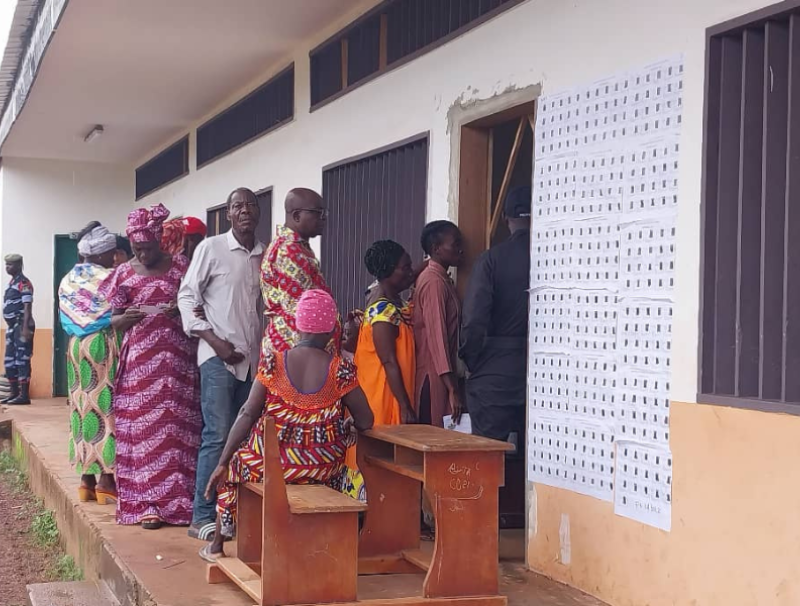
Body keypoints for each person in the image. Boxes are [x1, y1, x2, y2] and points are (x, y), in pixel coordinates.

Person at [198, 289, 374, 562]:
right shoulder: (341, 370)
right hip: (322, 468)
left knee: (236, 466)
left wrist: (223, 461)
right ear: (331, 331)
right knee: (343, 470)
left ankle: (218, 545)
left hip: (271, 467)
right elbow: (366, 420)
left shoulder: (273, 363)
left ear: (297, 326)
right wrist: (347, 423)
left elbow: (247, 413)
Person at [99, 204, 201, 529]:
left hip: (177, 364)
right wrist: (124, 319)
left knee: (177, 431)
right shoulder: (124, 274)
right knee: (143, 433)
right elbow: (111, 320)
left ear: (160, 242)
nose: (142, 256)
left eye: (147, 249)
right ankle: (148, 505)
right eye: (136, 250)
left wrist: (180, 311)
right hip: (141, 366)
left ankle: (181, 503)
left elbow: (198, 304)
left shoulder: (182, 267)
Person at [178, 188, 265, 541]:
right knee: (217, 434)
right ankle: (201, 516)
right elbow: (186, 297)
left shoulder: (265, 255)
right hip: (217, 359)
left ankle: (233, 513)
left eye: (250, 205)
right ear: (227, 215)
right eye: (236, 206)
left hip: (252, 361)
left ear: (258, 212)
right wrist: (215, 341)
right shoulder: (211, 249)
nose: (244, 211)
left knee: (245, 439)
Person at [460, 186, 531, 446]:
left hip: (496, 369)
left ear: (505, 218)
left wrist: (471, 361)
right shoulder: (554, 260)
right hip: (546, 372)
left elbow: (474, 320)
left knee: (487, 457)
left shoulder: (492, 260)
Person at [58, 223, 120, 503]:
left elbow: (65, 318)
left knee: (81, 407)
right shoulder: (110, 277)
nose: (114, 257)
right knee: (105, 406)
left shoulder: (68, 279)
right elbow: (119, 309)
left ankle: (85, 481)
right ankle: (107, 480)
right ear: (100, 254)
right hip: (102, 343)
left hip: (75, 347)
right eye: (110, 253)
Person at [261, 188, 338, 356]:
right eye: (318, 212)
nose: (323, 218)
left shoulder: (297, 246)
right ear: (296, 216)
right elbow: (301, 310)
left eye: (324, 212)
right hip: (292, 347)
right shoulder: (289, 251)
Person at [354, 240, 416, 427]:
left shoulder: (397, 303)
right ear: (388, 272)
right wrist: (405, 406)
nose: (410, 272)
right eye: (405, 268)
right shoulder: (382, 312)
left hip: (396, 390)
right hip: (383, 396)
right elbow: (388, 360)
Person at [413, 221, 464, 427]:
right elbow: (438, 338)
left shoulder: (442, 278)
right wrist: (451, 388)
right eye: (455, 243)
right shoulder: (433, 282)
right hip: (435, 376)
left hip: (442, 373)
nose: (461, 249)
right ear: (436, 249)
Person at [3, 254, 35, 405]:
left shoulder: (24, 283)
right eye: (6, 265)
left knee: (22, 360)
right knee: (10, 361)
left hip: (21, 325)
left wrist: (25, 328)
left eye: (10, 265)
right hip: (12, 327)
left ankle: (24, 395)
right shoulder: (12, 283)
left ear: (18, 265)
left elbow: (27, 306)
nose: (7, 267)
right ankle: (14, 393)